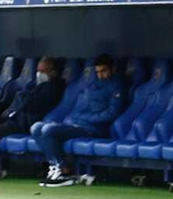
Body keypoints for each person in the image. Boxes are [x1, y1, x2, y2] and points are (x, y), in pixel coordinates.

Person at [33, 55, 130, 187]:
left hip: (93, 129)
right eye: (98, 72)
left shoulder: (118, 87)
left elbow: (112, 113)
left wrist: (86, 119)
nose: (101, 75)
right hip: (75, 125)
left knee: (48, 130)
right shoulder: (91, 85)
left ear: (113, 69)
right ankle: (55, 166)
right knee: (36, 127)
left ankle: (63, 170)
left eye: (104, 71)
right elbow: (80, 107)